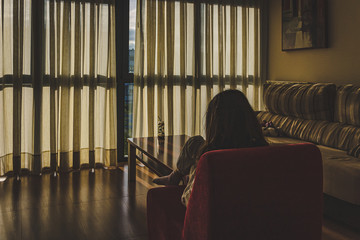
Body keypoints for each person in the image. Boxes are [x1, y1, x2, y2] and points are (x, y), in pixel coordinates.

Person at [153, 89, 268, 206]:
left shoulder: (210, 158)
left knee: (196, 149)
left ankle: (176, 176)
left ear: (215, 123)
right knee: (196, 142)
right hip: (249, 208)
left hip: (206, 211)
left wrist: (194, 172)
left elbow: (189, 200)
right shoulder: (263, 150)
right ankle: (175, 176)